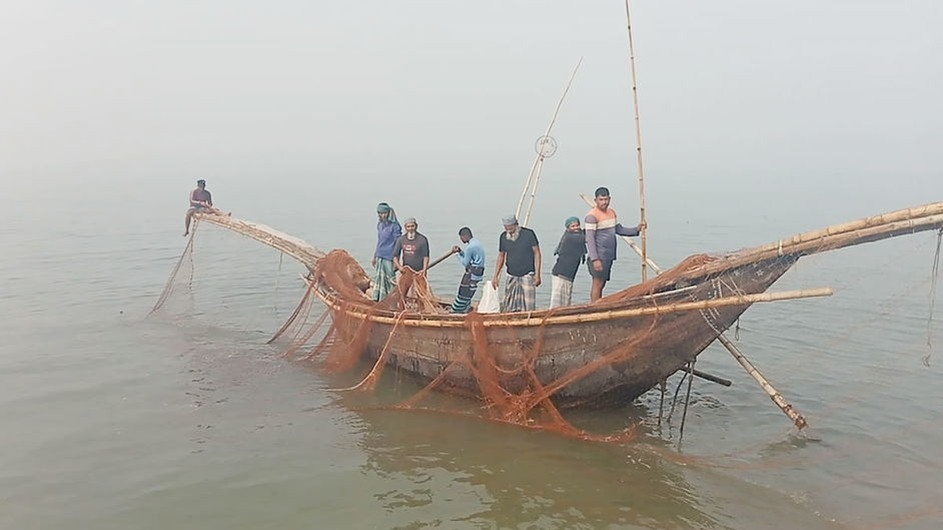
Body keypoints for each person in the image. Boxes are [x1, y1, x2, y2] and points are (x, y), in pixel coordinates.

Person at [584, 186, 645, 302]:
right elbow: (590, 239)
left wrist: (636, 229)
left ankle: (599, 304)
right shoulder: (592, 216)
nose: (604, 202)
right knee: (597, 283)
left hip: (609, 255)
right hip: (599, 255)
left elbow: (619, 229)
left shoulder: (611, 213)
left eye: (606, 199)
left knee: (602, 283)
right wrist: (595, 259)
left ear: (610, 199)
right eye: (601, 200)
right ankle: (594, 307)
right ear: (595, 200)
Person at [492, 214, 541, 312]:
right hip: (511, 275)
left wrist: (537, 275)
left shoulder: (528, 234)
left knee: (528, 304)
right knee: (509, 304)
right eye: (506, 228)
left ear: (516, 225)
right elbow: (501, 256)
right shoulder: (503, 237)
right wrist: (495, 276)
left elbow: (537, 254)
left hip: (527, 274)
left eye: (511, 228)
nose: (508, 230)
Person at [549, 216, 586, 309]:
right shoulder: (571, 237)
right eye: (573, 226)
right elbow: (587, 238)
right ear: (568, 228)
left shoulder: (578, 234)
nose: (576, 228)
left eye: (577, 225)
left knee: (566, 301)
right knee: (557, 303)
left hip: (568, 275)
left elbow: (585, 233)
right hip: (561, 273)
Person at [450, 227, 486, 313]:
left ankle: (457, 311)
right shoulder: (477, 243)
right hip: (478, 273)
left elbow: (465, 263)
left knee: (463, 293)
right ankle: (467, 308)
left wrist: (457, 255)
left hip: (472, 273)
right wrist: (460, 252)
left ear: (465, 236)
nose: (461, 239)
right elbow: (470, 258)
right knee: (469, 292)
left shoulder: (470, 247)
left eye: (461, 237)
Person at [392, 217, 430, 300]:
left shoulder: (422, 239)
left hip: (419, 271)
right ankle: (402, 309)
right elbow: (395, 256)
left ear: (416, 226)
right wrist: (399, 267)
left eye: (412, 226)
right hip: (406, 272)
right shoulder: (401, 240)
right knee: (402, 293)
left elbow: (426, 256)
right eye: (408, 227)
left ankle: (421, 310)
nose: (410, 229)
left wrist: (424, 270)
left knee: (421, 294)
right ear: (405, 227)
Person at [372, 202, 402, 301]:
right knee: (379, 278)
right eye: (380, 213)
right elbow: (379, 241)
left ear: (388, 213)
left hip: (390, 256)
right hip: (380, 254)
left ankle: (392, 299)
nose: (382, 215)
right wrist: (375, 256)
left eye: (384, 213)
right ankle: (379, 298)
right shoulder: (380, 225)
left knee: (390, 279)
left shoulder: (395, 226)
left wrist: (396, 259)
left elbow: (398, 243)